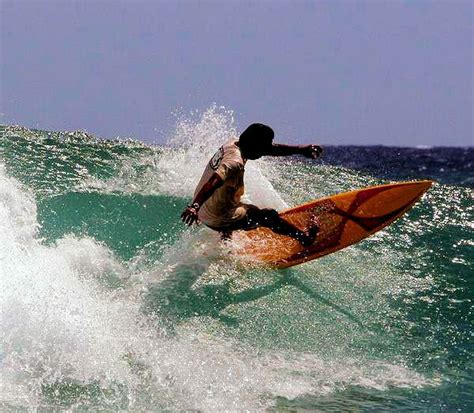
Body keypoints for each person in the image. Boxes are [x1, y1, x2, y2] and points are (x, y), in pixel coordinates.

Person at [181, 123, 322, 246]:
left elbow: (272, 149)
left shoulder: (234, 143)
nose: (264, 153)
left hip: (205, 210)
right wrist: (194, 207)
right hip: (214, 216)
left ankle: (226, 243)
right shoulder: (234, 162)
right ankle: (305, 239)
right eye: (263, 149)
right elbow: (213, 183)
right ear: (254, 145)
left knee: (230, 196)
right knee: (267, 216)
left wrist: (301, 150)